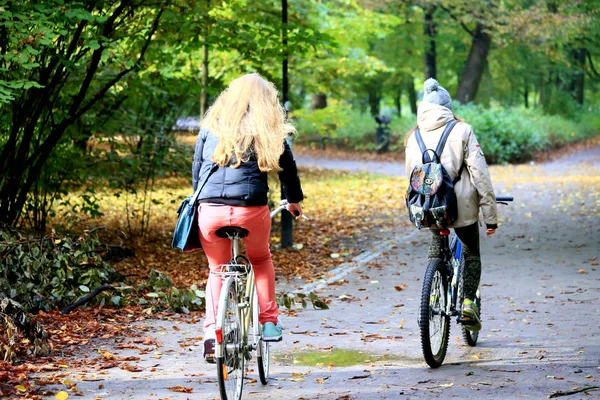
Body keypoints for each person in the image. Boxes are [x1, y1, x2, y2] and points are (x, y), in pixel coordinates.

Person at [192, 73, 304, 362]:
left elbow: (197, 171)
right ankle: (268, 323)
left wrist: (201, 201)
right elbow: (287, 168)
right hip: (250, 210)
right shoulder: (267, 130)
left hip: (209, 211)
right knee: (260, 259)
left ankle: (210, 336)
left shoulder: (211, 126)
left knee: (217, 269)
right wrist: (293, 201)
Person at [404, 78, 498, 332]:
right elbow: (480, 174)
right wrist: (490, 215)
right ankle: (468, 303)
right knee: (470, 252)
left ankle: (432, 295)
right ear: (448, 107)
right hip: (462, 208)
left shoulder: (413, 137)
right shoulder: (462, 130)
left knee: (437, 245)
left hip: (429, 206)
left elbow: (411, 177)